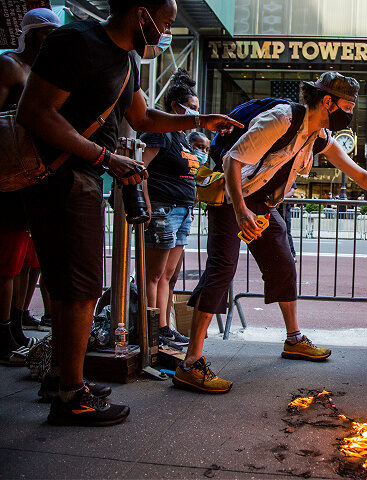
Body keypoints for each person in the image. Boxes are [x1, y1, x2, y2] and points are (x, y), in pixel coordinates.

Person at [16, 0, 241, 426]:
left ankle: (64, 376)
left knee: (72, 286)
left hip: (83, 177)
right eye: (166, 22)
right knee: (82, 288)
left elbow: (141, 118)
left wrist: (200, 120)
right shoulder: (76, 40)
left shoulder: (125, 61)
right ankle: (70, 396)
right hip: (61, 178)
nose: (167, 32)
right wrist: (105, 158)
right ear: (142, 14)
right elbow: (35, 112)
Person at [174, 72, 367, 393]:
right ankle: (191, 362)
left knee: (283, 261)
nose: (350, 113)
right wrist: (241, 211)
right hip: (232, 194)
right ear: (328, 101)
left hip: (262, 202)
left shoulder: (319, 137)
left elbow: (358, 174)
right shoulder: (281, 120)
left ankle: (294, 339)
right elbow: (232, 160)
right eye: (348, 105)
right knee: (222, 268)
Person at [0, 8, 61, 366]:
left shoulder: (40, 72)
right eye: (47, 34)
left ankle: (16, 321)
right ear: (34, 33)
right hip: (8, 175)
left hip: (28, 174)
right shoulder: (9, 66)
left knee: (24, 258)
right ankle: (4, 332)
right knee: (7, 261)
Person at [140, 69, 203, 350]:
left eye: (197, 110)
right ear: (176, 108)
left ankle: (164, 328)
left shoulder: (182, 137)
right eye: (191, 109)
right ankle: (149, 329)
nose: (195, 115)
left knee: (167, 275)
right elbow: (139, 169)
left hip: (182, 211)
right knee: (152, 275)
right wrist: (146, 206)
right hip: (163, 210)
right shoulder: (160, 133)